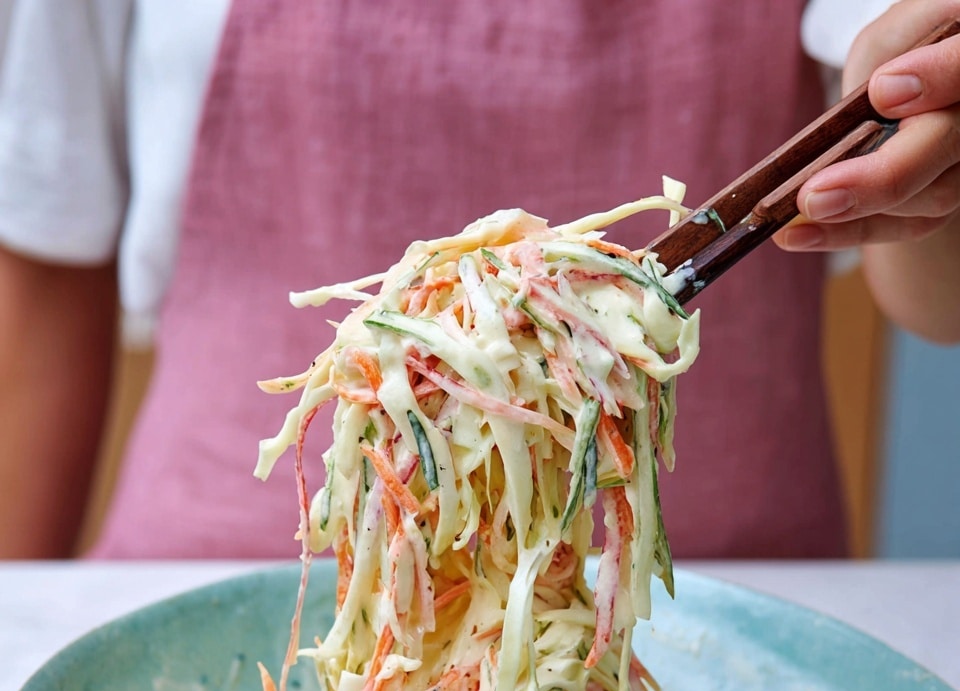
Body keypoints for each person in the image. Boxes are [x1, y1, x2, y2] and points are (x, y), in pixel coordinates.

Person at [0, 0, 957, 561]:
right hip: (199, 597)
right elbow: (42, 256)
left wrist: (933, 149)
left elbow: (933, 299)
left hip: (734, 624)